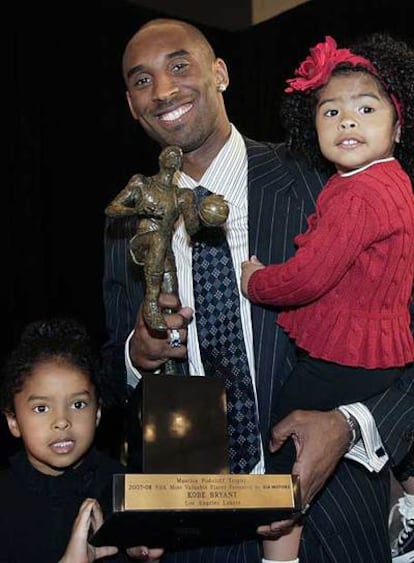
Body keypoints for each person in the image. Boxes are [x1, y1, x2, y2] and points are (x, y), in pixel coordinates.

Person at [102, 18, 414, 562]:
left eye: (180, 65)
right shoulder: (129, 222)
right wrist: (136, 354)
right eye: (142, 80)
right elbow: (111, 373)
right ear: (131, 106)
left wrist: (349, 425)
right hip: (197, 534)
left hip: (332, 518)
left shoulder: (329, 177)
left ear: (220, 73)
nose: (165, 90)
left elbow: (399, 331)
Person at [240, 33, 414, 563]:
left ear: (398, 124)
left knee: (281, 439)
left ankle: (280, 551)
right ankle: (403, 499)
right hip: (382, 349)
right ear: (310, 126)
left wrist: (256, 279)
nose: (346, 121)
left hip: (351, 354)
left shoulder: (360, 195)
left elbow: (308, 279)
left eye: (366, 107)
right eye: (330, 111)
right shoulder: (389, 181)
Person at [0, 317, 162, 563]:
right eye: (42, 408)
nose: (62, 420)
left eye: (78, 404)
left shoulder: (125, 490)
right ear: (13, 420)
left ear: (97, 413)